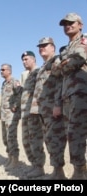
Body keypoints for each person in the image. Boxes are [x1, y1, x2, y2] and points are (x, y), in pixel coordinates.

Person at [52, 13, 87, 179]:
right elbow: (56, 72)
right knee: (71, 133)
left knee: (76, 133)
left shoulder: (83, 41)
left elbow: (75, 63)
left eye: (71, 23)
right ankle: (79, 170)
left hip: (81, 93)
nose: (67, 26)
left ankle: (80, 172)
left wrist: (64, 64)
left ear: (80, 25)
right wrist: (64, 64)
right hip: (67, 96)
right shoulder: (67, 48)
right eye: (64, 23)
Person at [30, 37, 67, 179]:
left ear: (53, 47)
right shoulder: (43, 67)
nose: (41, 48)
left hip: (53, 109)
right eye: (40, 46)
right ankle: (56, 172)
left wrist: (58, 104)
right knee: (49, 139)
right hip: (43, 110)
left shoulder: (56, 61)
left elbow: (61, 82)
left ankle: (59, 173)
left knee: (55, 139)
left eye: (45, 45)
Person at [20, 51, 46, 178]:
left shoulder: (38, 72)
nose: (24, 62)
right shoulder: (29, 75)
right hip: (25, 113)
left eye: (26, 59)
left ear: (34, 59)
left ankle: (39, 167)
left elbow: (41, 91)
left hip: (34, 113)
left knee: (35, 141)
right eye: (23, 60)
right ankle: (34, 165)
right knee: (26, 141)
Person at [0, 63, 22, 171]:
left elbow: (20, 94)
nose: (1, 71)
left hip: (11, 115)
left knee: (11, 137)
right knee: (5, 138)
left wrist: (15, 106)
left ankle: (15, 160)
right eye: (1, 70)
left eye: (3, 69)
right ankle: (9, 157)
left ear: (9, 71)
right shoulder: (4, 83)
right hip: (4, 115)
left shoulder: (14, 81)